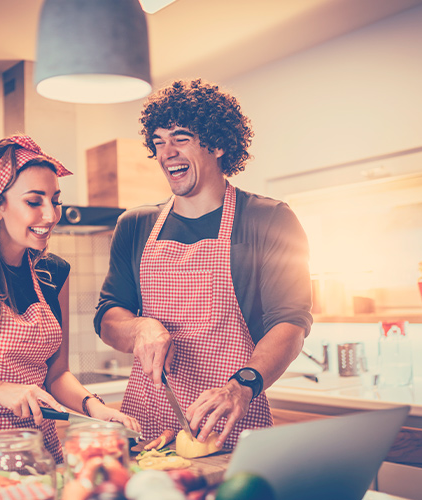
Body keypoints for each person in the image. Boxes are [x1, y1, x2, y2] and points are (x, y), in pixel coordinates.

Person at [94, 79, 313, 451]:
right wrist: (140, 328)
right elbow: (107, 317)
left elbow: (290, 323)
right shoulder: (135, 225)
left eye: (180, 138)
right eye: (159, 141)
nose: (167, 153)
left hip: (231, 424)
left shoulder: (268, 219)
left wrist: (240, 386)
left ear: (219, 143)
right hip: (146, 428)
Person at [0, 135, 140, 476]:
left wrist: (95, 408)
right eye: (34, 201)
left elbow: (57, 374)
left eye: (55, 200)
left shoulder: (54, 274)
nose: (51, 215)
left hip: (40, 450)